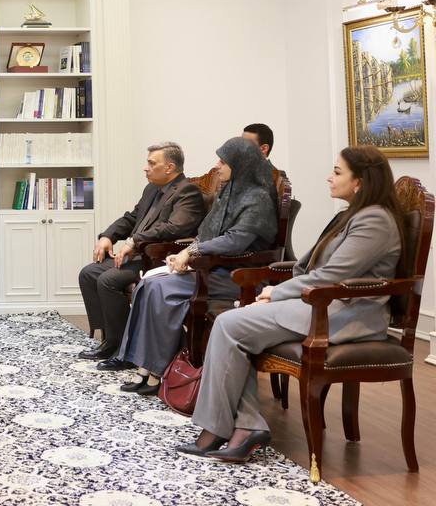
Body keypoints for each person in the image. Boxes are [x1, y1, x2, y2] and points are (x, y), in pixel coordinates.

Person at [181, 146, 404, 462]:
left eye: (337, 172)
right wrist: (278, 293)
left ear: (360, 182)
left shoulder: (375, 220)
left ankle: (222, 429)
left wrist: (275, 293)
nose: (329, 177)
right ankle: (245, 426)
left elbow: (332, 275)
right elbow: (317, 269)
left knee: (230, 324)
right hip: (323, 304)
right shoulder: (354, 214)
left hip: (344, 312)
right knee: (233, 325)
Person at [107, 137, 278, 391]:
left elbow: (235, 241)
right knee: (148, 284)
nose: (217, 166)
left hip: (238, 276)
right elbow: (207, 233)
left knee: (161, 289)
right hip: (213, 268)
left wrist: (192, 252)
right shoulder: (230, 192)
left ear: (240, 164)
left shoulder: (258, 199)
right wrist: (184, 253)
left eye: (223, 161)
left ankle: (158, 369)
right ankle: (144, 364)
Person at [79, 142, 205, 361]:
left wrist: (134, 241)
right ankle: (110, 339)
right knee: (89, 273)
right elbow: (131, 218)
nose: (145, 168)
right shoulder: (152, 189)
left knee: (108, 280)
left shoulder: (187, 191)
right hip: (138, 256)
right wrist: (107, 236)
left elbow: (175, 228)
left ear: (169, 167)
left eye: (151, 163)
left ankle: (124, 349)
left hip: (157, 259)